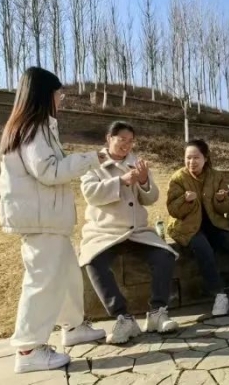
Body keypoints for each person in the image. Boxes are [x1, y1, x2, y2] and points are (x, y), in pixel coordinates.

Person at [0, 67, 105, 374]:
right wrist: (93, 158)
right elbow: (50, 171)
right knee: (43, 282)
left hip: (46, 218)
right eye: (59, 93)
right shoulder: (34, 128)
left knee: (67, 275)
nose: (62, 99)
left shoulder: (34, 126)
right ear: (45, 94)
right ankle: (28, 349)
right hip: (40, 220)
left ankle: (73, 327)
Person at [79, 121, 179, 344]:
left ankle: (157, 312)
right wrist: (121, 181)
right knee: (93, 261)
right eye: (121, 139)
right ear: (109, 138)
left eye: (131, 141)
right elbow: (90, 193)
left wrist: (143, 181)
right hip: (104, 231)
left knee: (164, 256)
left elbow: (151, 198)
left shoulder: (137, 163)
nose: (126, 145)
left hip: (137, 231)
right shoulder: (93, 163)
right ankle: (123, 318)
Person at [166, 139, 229, 316]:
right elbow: (173, 210)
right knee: (203, 248)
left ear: (205, 158)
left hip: (215, 224)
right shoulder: (178, 178)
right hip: (188, 227)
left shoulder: (216, 176)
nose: (191, 162)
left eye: (196, 157)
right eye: (188, 158)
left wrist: (221, 199)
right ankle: (219, 295)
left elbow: (226, 208)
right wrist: (185, 200)